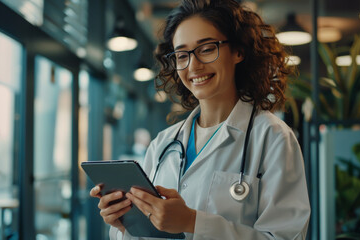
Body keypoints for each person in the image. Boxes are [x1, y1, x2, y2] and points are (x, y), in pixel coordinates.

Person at [90, 0, 311, 239]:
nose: (193, 66)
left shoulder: (273, 137)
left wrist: (193, 222)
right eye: (182, 55)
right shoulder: (163, 143)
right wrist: (125, 225)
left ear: (238, 51)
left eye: (206, 49)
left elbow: (287, 237)